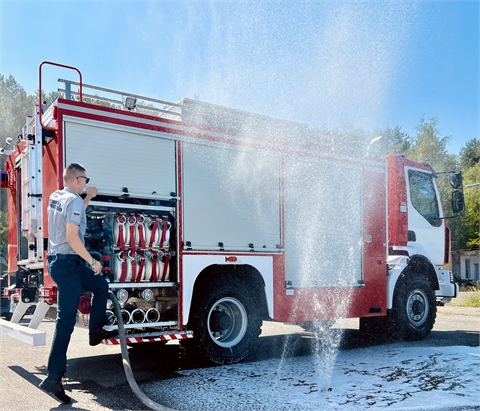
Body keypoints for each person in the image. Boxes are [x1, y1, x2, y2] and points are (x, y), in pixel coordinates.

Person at [39, 163, 117, 404]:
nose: (86, 182)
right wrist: (92, 261)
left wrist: (88, 198)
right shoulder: (72, 200)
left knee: (100, 287)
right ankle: (53, 378)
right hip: (70, 263)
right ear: (77, 179)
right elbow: (73, 237)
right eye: (85, 179)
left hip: (60, 262)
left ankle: (95, 331)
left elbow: (73, 215)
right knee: (65, 322)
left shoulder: (58, 196)